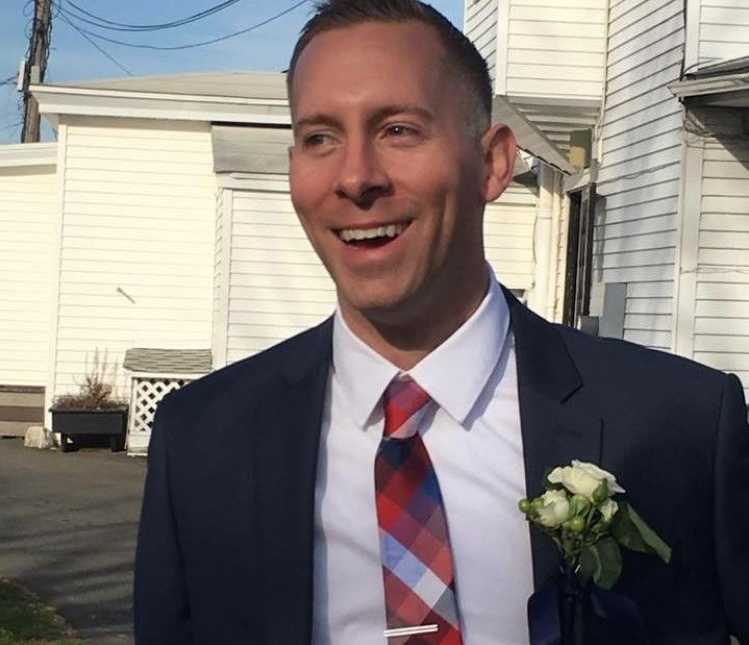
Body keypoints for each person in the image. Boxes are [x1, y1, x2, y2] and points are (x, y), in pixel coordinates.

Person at [133, 1, 749, 643]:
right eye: (319, 137)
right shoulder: (203, 442)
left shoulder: (680, 426)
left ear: (492, 164)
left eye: (397, 130)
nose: (355, 178)